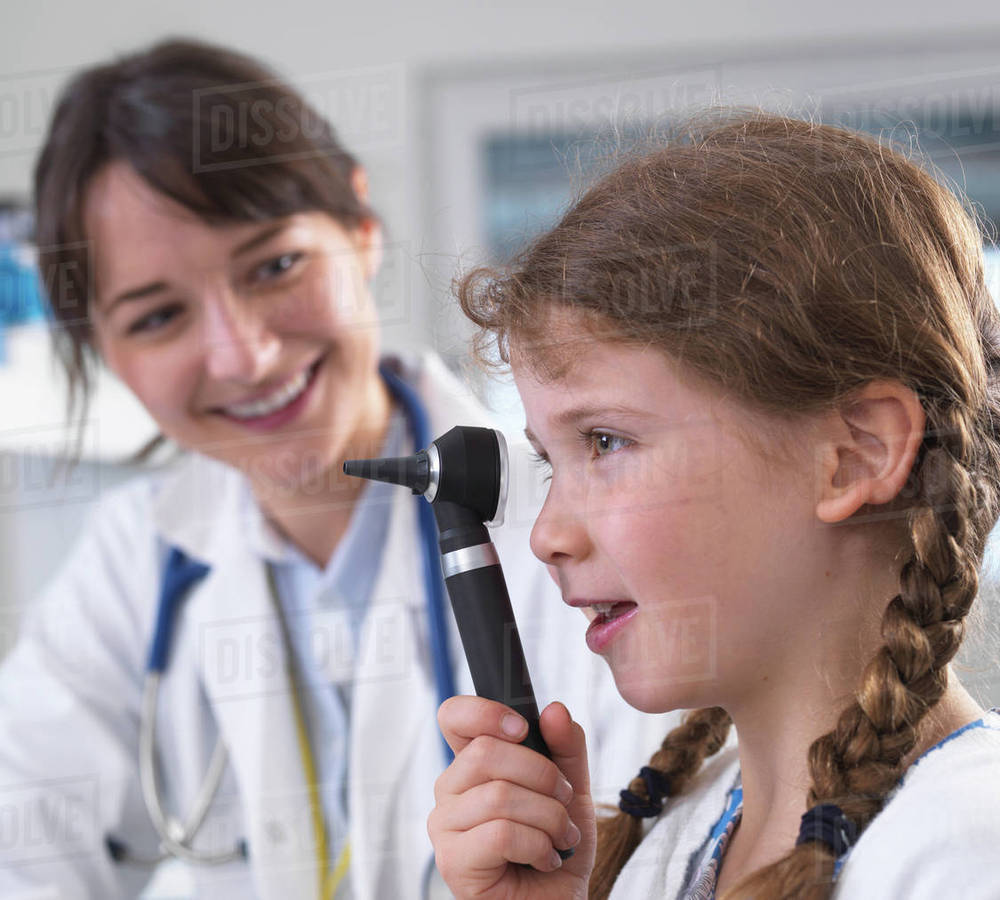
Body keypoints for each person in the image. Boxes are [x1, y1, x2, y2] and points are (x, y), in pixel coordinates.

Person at [427, 112, 1000, 898]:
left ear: (856, 455)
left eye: (605, 442)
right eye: (547, 459)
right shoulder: (676, 835)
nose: (548, 536)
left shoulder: (995, 856)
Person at [0, 39, 676, 899]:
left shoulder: (571, 526)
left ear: (360, 227)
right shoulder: (133, 565)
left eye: (276, 266)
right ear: (104, 349)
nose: (243, 354)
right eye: (160, 315)